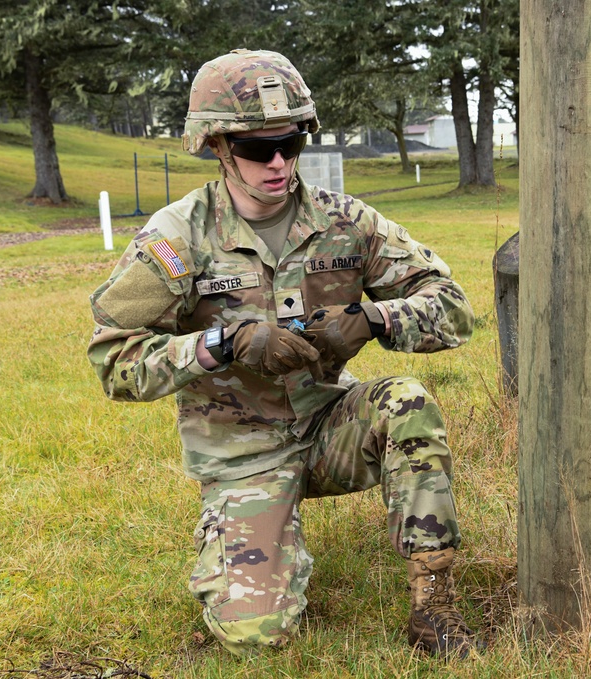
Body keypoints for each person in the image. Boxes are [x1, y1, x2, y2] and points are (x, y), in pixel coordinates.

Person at [86, 49, 477, 658]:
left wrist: (376, 319)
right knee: (257, 636)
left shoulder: (344, 221)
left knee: (406, 402)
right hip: (244, 456)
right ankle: (243, 534)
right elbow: (115, 360)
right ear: (217, 146)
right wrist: (222, 345)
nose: (277, 163)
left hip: (328, 427)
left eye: (291, 145)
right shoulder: (177, 236)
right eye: (257, 148)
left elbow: (453, 306)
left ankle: (435, 607)